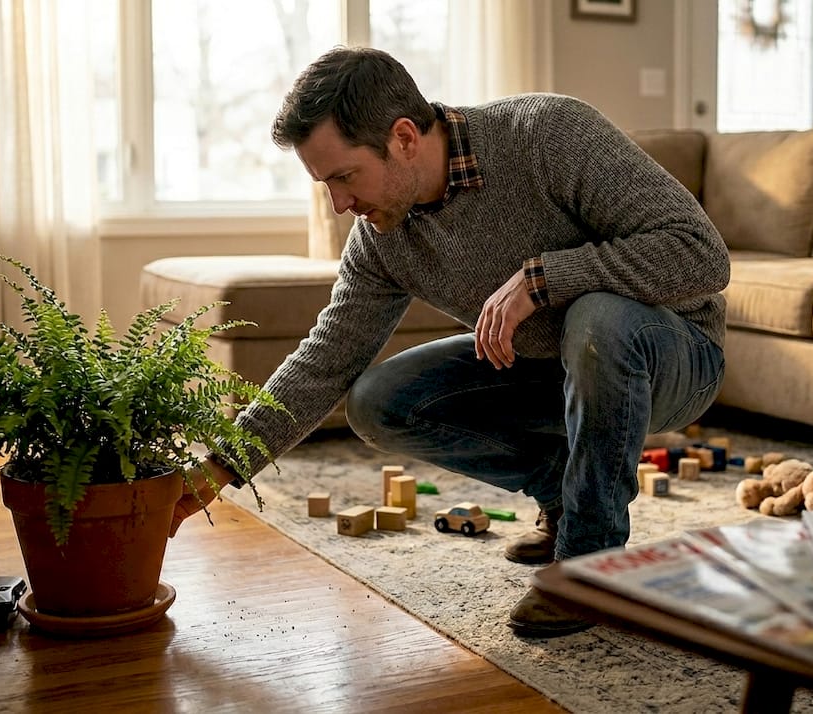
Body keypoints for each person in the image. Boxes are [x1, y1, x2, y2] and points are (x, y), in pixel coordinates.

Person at [172, 46, 729, 638]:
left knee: (597, 318)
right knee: (379, 400)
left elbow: (702, 254)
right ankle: (565, 494)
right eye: (325, 185)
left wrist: (544, 279)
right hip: (552, 368)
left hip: (672, 354)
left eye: (344, 177)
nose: (339, 205)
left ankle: (589, 566)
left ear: (405, 138)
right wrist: (222, 466)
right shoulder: (380, 237)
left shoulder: (547, 134)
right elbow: (327, 357)